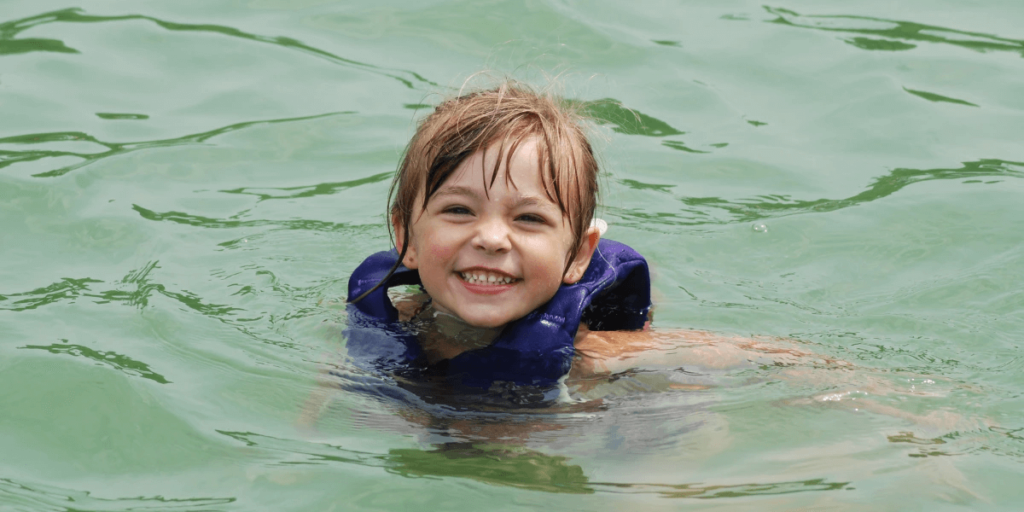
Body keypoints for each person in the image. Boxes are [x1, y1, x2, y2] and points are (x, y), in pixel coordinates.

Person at [345, 80, 668, 392]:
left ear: (578, 256)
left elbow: (714, 353)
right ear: (407, 238)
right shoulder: (386, 325)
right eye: (459, 210)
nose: (492, 238)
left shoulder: (598, 352)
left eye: (529, 217)